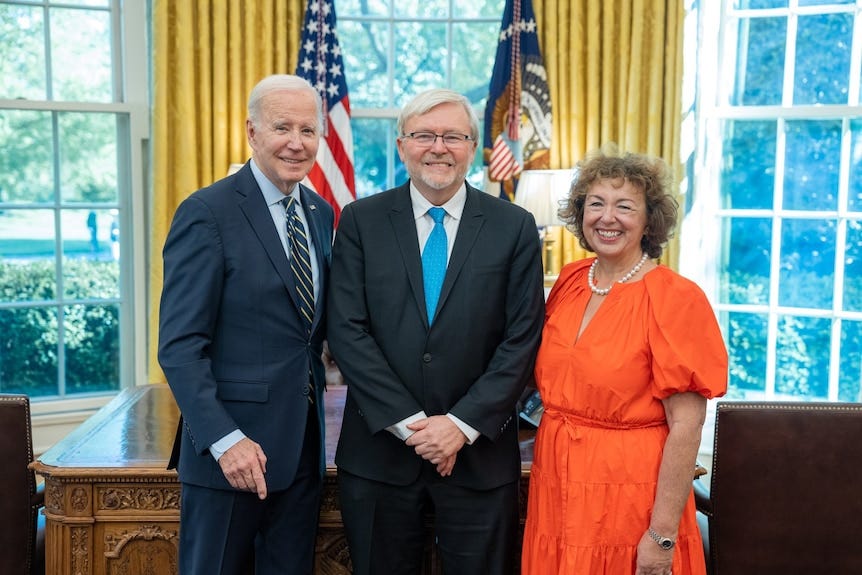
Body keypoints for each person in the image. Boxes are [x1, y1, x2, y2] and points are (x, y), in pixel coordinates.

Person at [326, 88, 545, 575]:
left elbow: (522, 339)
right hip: (380, 457)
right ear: (402, 145)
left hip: (480, 459)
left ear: (473, 148)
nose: (438, 147)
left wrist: (459, 426)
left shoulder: (514, 226)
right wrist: (414, 427)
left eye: (453, 136)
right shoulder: (361, 221)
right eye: (424, 135)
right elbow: (346, 331)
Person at [520, 145, 728, 575]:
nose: (607, 217)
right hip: (556, 486)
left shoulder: (676, 298)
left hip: (629, 495)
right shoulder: (573, 279)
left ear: (649, 220)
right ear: (580, 214)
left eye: (624, 206)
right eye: (595, 203)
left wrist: (661, 534)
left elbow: (687, 426)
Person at [158, 74, 334, 575]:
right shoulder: (207, 212)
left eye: (308, 130)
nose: (296, 143)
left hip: (301, 450)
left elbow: (312, 333)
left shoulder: (319, 213)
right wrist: (225, 439)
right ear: (252, 133)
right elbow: (179, 345)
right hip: (229, 456)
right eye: (283, 127)